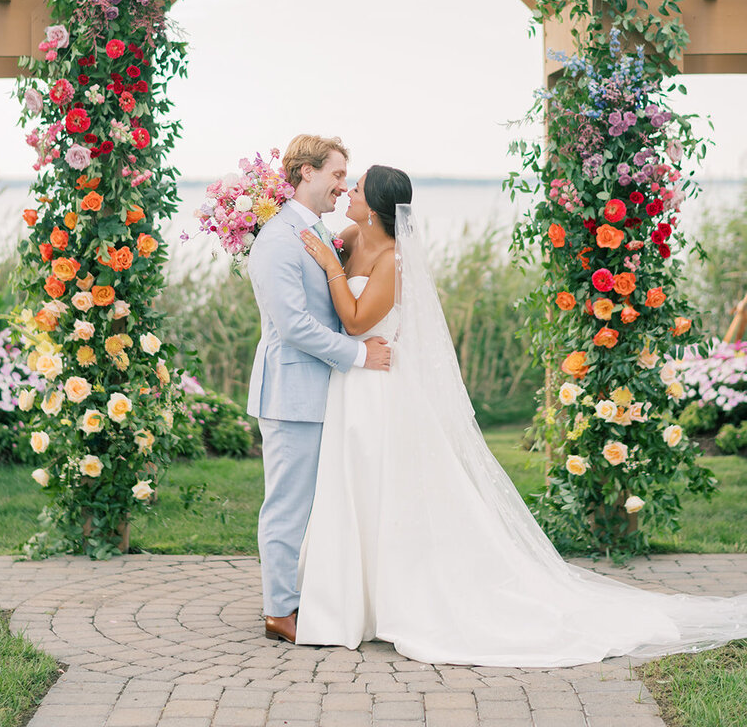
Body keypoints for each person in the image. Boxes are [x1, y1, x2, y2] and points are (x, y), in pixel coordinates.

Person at [295, 165, 747, 666]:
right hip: (353, 380)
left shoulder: (394, 258)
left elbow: (357, 319)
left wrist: (331, 268)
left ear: (377, 207)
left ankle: (395, 600)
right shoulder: (350, 234)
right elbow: (321, 267)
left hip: (379, 387)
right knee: (352, 486)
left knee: (381, 486)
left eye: (355, 189)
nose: (347, 193)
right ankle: (353, 602)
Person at [246, 135, 391, 646]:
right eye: (336, 174)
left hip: (322, 392)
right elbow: (293, 326)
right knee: (287, 504)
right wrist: (359, 355)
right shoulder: (279, 240)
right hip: (291, 393)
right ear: (306, 173)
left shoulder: (321, 232)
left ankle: (306, 595)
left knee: (316, 503)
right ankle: (279, 611)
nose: (342, 185)